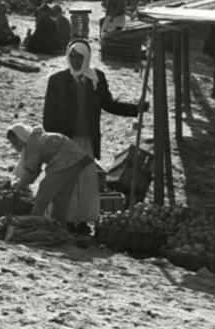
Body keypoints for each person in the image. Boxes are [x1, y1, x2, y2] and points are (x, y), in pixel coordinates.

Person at [43, 40, 144, 232]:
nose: (74, 61)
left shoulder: (96, 79)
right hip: (66, 140)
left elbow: (108, 104)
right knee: (64, 180)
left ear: (86, 58)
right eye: (72, 57)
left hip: (86, 140)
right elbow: (49, 115)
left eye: (79, 57)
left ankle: (80, 220)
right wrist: (54, 141)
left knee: (85, 180)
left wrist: (135, 109)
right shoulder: (57, 80)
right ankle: (62, 218)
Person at [7, 123, 93, 229]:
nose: (15, 147)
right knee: (61, 200)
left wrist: (18, 189)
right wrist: (26, 183)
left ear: (21, 137)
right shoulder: (38, 137)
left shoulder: (32, 144)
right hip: (77, 161)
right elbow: (35, 169)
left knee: (43, 193)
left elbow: (30, 170)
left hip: (64, 161)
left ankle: (32, 223)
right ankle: (61, 228)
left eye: (15, 142)